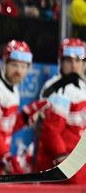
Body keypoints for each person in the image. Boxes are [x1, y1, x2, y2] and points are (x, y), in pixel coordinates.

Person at [0, 40, 40, 175]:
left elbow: (6, 127)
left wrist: (24, 118)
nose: (19, 71)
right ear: (4, 63)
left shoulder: (12, 87)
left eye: (23, 66)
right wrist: (5, 157)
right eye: (14, 65)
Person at [37, 39, 86, 184]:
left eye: (78, 60)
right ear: (61, 62)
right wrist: (64, 160)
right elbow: (51, 131)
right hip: (66, 161)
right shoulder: (57, 88)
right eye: (69, 60)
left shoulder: (82, 85)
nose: (74, 65)